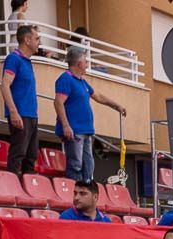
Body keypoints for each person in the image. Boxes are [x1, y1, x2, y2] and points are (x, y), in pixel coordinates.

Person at [54, 47, 126, 183]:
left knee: (88, 166)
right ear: (79, 63)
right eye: (85, 62)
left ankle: (87, 191)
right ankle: (76, 192)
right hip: (75, 131)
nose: (87, 65)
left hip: (86, 131)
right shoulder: (65, 79)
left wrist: (116, 106)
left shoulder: (82, 82)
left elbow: (97, 96)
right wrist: (66, 125)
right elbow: (58, 102)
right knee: (75, 165)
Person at [1, 25, 41, 176]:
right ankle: (12, 188)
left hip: (31, 114)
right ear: (27, 40)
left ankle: (28, 192)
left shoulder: (27, 62)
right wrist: (13, 112)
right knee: (18, 153)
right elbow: (5, 85)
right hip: (20, 113)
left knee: (31, 156)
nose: (39, 42)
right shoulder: (14, 59)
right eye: (37, 38)